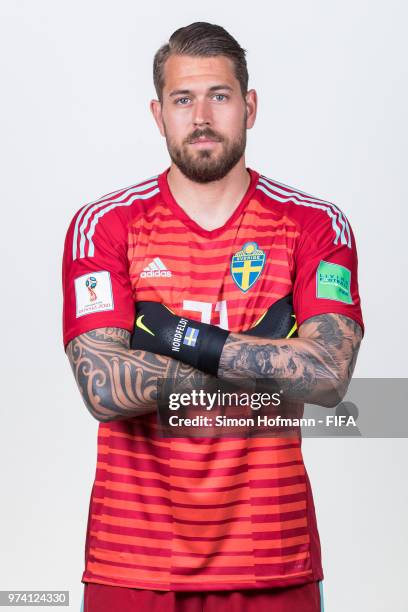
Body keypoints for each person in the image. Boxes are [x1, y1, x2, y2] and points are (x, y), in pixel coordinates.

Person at [62, 21, 364, 612]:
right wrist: (270, 351)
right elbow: (101, 386)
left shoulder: (315, 226)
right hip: (135, 564)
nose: (201, 115)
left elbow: (328, 376)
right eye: (183, 99)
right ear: (159, 113)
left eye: (219, 96)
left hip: (274, 558)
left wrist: (173, 337)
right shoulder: (104, 226)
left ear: (249, 107)